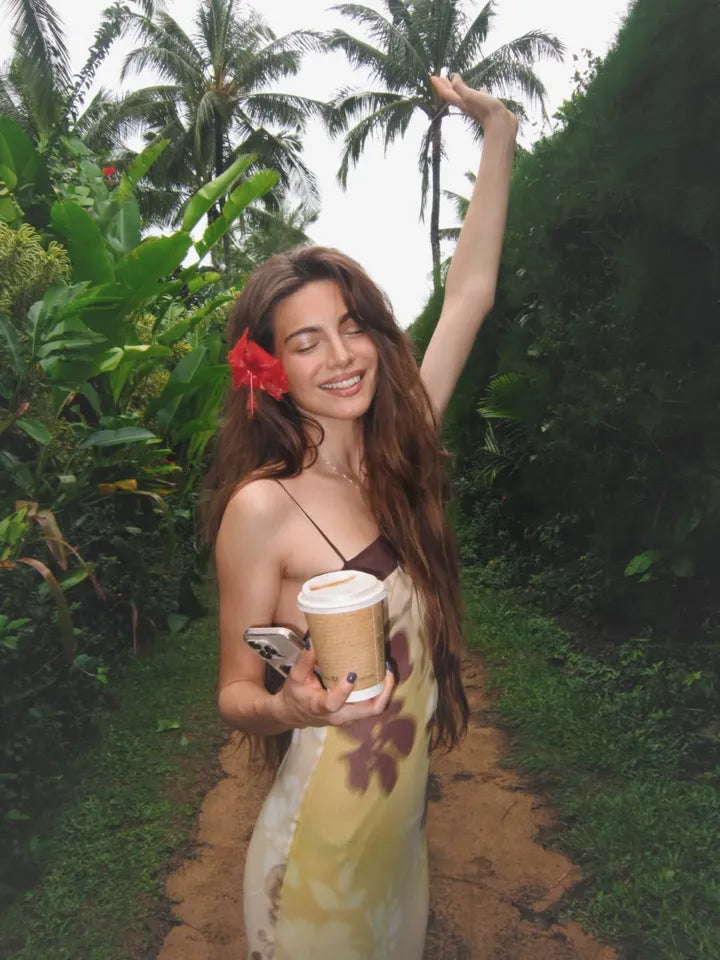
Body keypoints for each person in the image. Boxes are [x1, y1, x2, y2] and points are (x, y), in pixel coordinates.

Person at [202, 74, 518, 960]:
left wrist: (498, 129)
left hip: (398, 832)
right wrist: (292, 706)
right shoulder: (262, 509)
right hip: (321, 848)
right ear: (270, 370)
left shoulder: (400, 456)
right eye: (306, 342)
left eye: (352, 327)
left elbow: (470, 293)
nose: (342, 357)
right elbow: (235, 692)